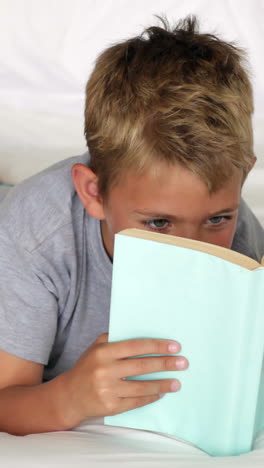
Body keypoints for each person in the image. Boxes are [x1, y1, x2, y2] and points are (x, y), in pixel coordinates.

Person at [0, 16, 263, 436]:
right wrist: (67, 397)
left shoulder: (243, 237)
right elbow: (4, 400)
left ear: (244, 178)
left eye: (216, 219)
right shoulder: (35, 238)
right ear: (94, 194)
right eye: (159, 223)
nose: (191, 252)